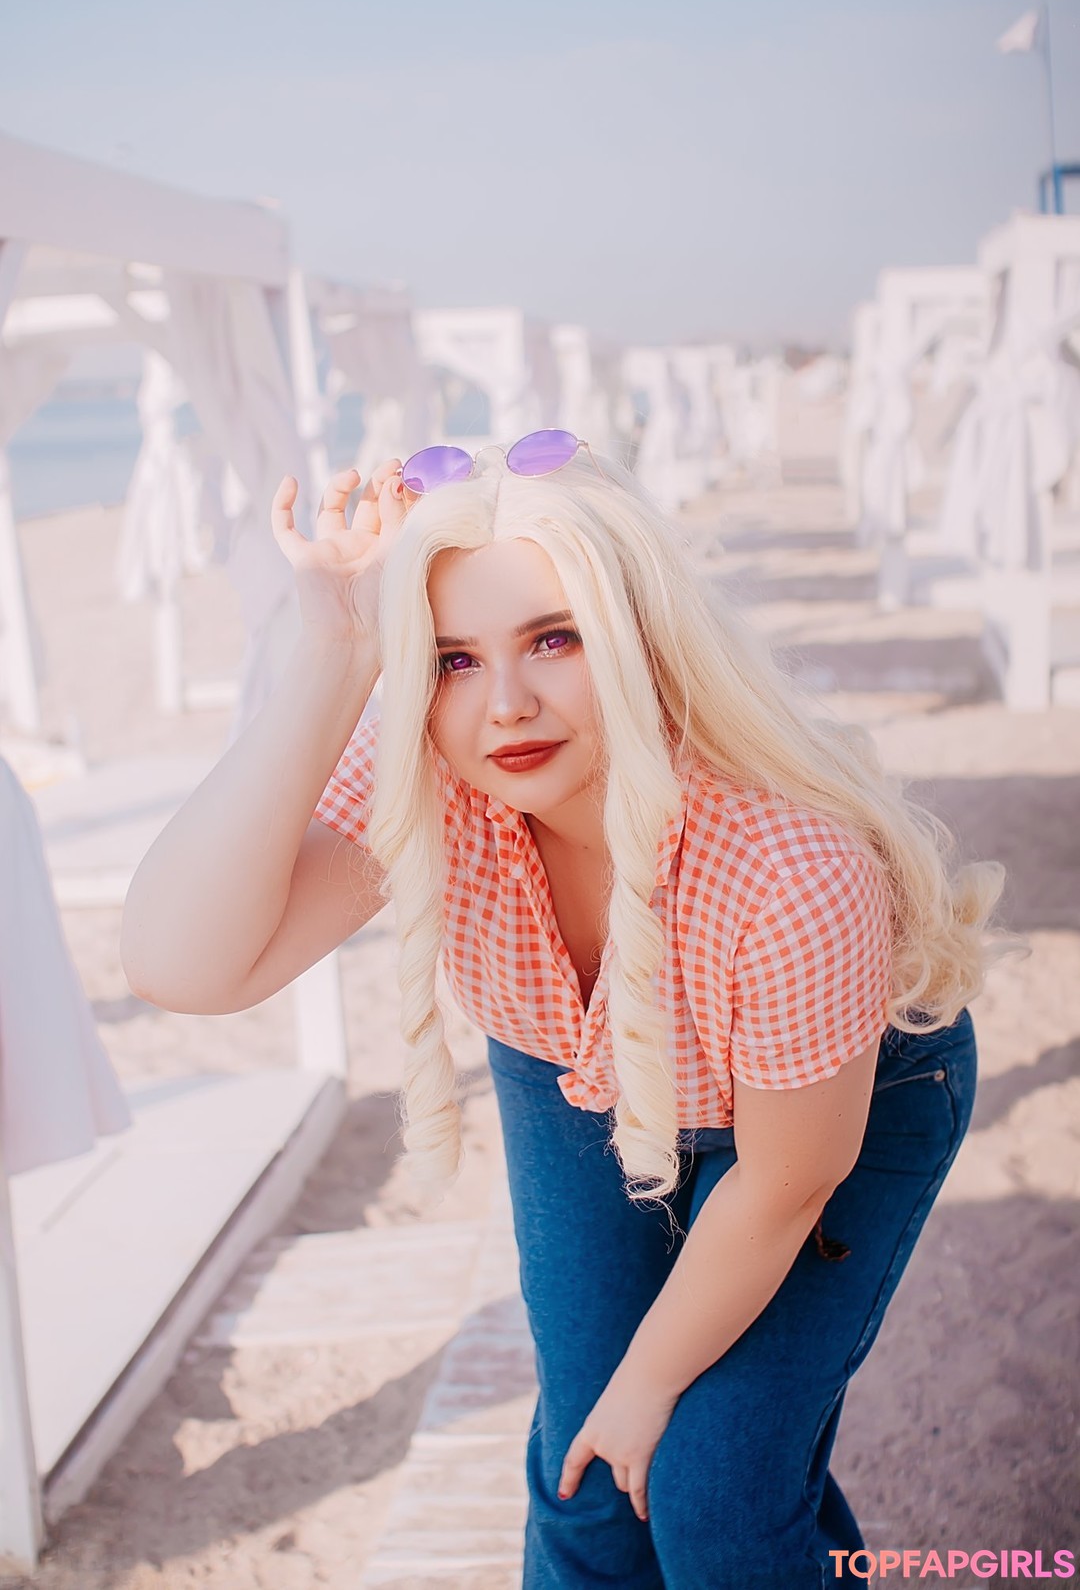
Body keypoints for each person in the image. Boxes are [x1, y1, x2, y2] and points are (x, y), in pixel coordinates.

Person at [121, 431, 1006, 1590]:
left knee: (710, 1488)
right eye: (452, 659)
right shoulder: (440, 770)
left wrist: (647, 1385)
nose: (507, 706)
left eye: (554, 638)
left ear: (638, 632)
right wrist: (336, 651)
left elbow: (784, 1186)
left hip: (831, 1110)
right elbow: (182, 967)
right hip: (574, 1066)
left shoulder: (790, 865)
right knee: (585, 1482)